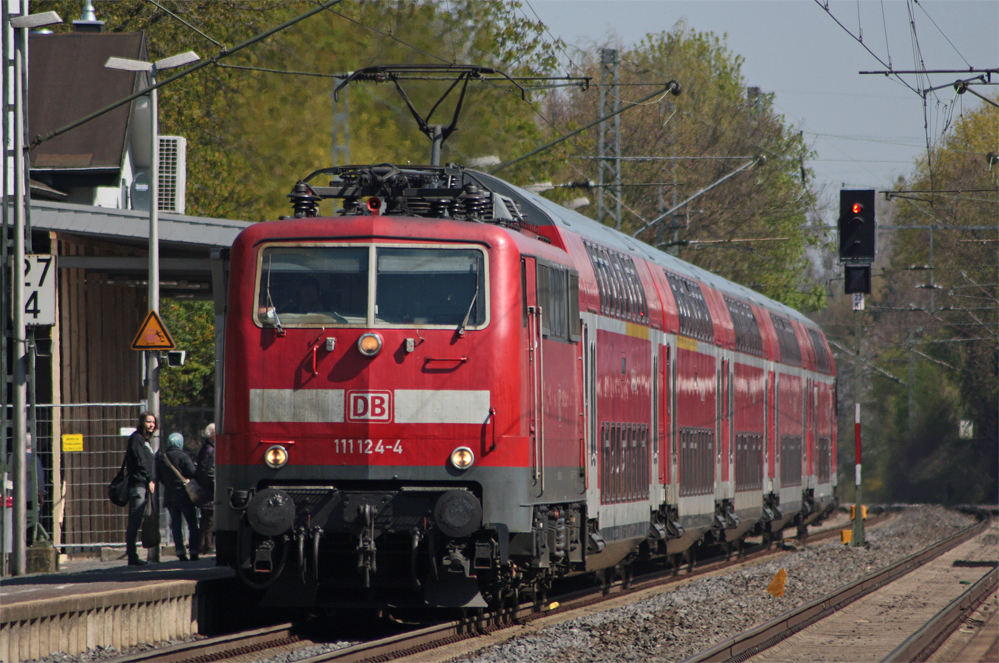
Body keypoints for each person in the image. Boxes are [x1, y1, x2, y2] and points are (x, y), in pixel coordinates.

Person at [159, 432, 199, 562]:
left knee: (175, 524)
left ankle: (180, 551)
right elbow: (193, 473)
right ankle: (193, 551)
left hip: (170, 496)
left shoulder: (163, 457)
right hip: (184, 496)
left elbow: (160, 477)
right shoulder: (184, 456)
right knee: (192, 523)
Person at [125, 412, 157, 566]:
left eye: (153, 422)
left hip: (143, 484)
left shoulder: (144, 440)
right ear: (142, 422)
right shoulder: (137, 439)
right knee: (135, 520)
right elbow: (140, 461)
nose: (151, 425)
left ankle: (133, 555)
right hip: (139, 484)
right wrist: (149, 478)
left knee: (137, 520)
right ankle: (132, 556)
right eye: (148, 421)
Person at [195, 423, 216, 555]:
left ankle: (202, 545)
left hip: (205, 489)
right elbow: (208, 471)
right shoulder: (210, 450)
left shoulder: (206, 448)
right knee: (209, 520)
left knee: (205, 519)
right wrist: (214, 486)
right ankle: (208, 545)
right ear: (212, 434)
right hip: (209, 491)